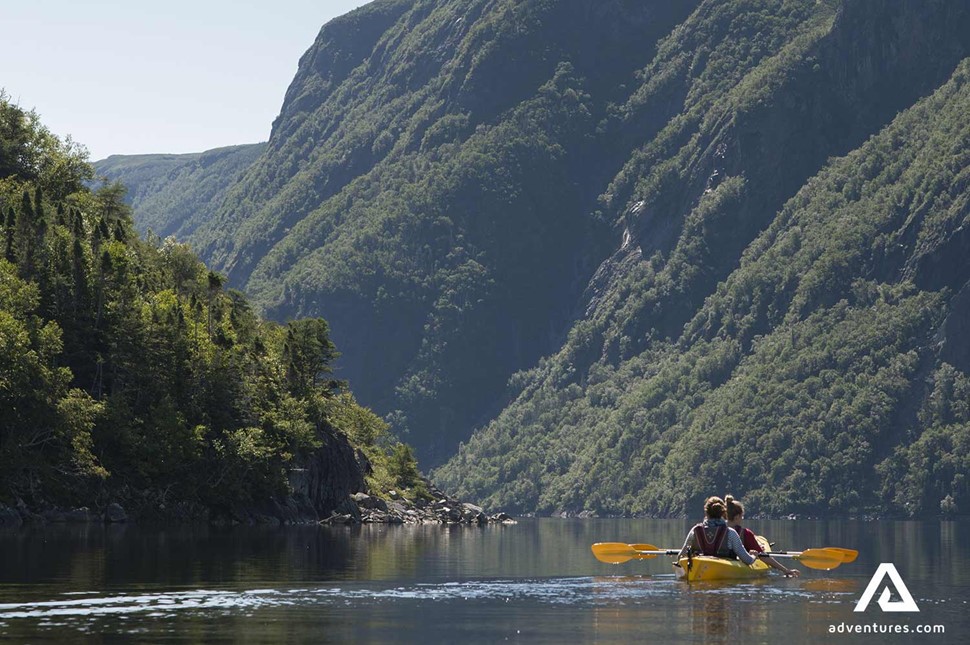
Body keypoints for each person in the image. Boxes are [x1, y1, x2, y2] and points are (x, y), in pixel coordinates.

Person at [725, 494, 800, 577]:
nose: (742, 519)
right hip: (734, 564)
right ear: (737, 516)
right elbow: (763, 557)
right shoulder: (746, 534)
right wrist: (786, 570)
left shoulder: (715, 530)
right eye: (742, 516)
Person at [679, 496, 756, 564]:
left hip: (700, 568)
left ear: (706, 513)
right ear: (723, 513)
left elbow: (681, 556)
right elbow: (748, 560)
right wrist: (753, 556)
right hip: (723, 569)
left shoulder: (695, 531)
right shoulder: (731, 533)